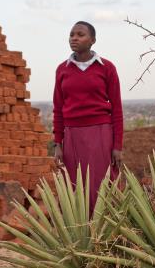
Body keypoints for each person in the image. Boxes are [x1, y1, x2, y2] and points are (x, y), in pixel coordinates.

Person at [53, 21, 123, 211]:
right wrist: (58, 143)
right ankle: (77, 236)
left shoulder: (106, 68)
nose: (74, 38)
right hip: (72, 137)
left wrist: (117, 146)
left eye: (80, 34)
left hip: (100, 134)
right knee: (74, 187)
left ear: (92, 40)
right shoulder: (62, 69)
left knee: (101, 186)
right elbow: (58, 109)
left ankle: (103, 234)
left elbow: (116, 108)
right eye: (72, 34)